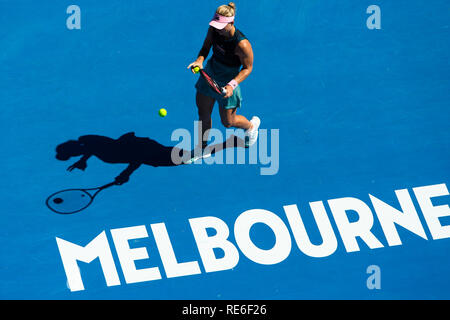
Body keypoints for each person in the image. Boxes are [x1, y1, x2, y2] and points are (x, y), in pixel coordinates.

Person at [187, 2, 260, 158]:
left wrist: (232, 85)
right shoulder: (214, 30)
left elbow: (247, 68)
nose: (218, 29)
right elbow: (205, 48)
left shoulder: (242, 44)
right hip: (210, 75)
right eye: (216, 25)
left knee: (228, 122)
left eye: (221, 26)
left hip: (228, 81)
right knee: (203, 114)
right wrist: (199, 61)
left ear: (231, 23)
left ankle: (251, 127)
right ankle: (202, 147)